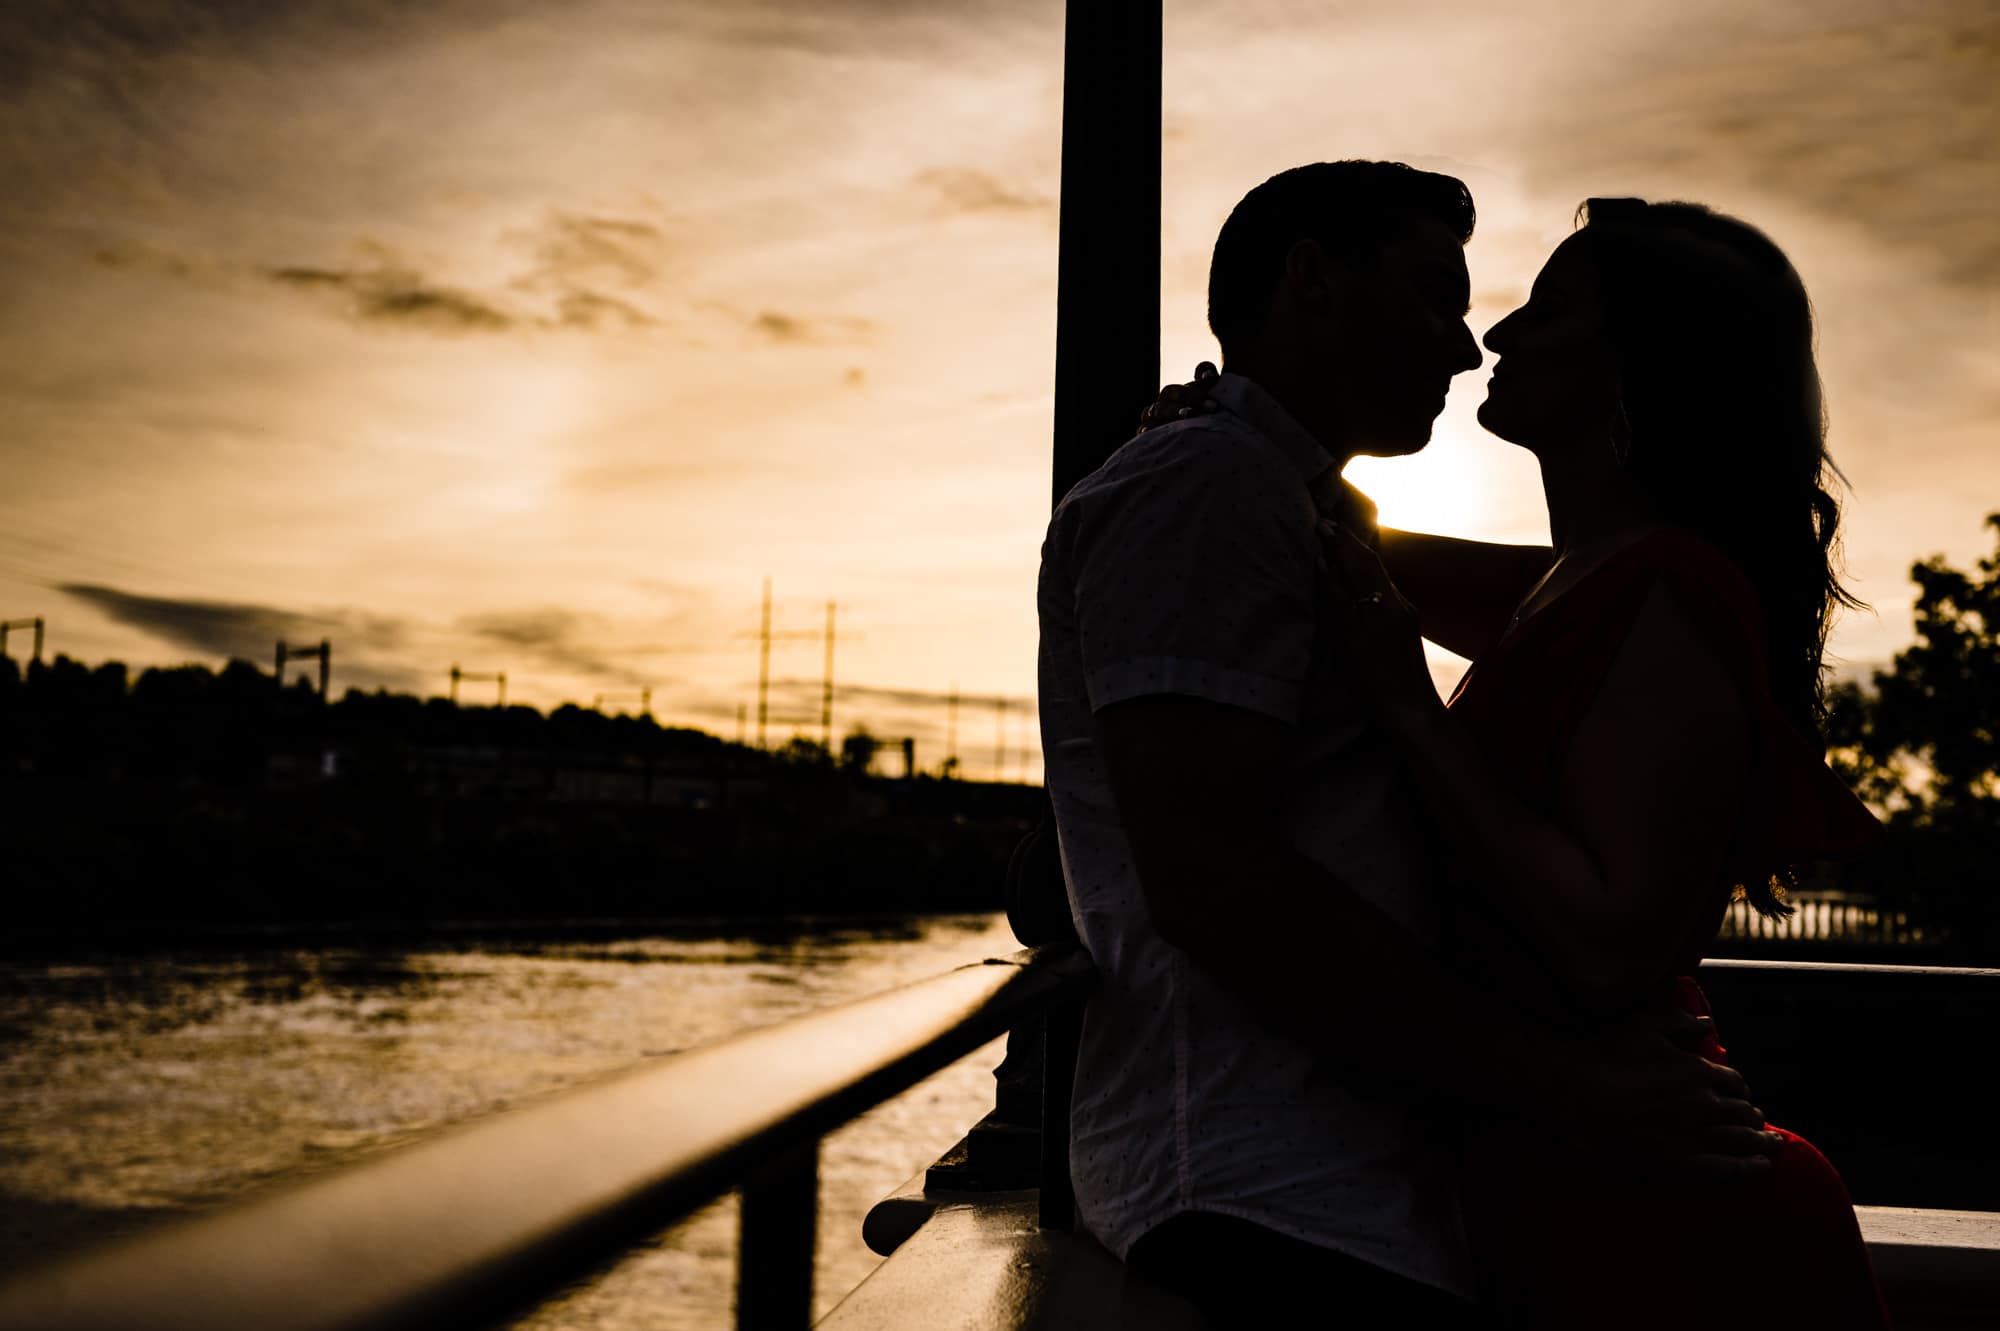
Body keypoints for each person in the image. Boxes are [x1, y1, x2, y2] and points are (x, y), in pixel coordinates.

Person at [1036, 162, 1781, 1328]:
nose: (1471, 343)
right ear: (1310, 280)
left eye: (1520, 309)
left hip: (1387, 1187)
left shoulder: (1627, 593)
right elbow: (1213, 881)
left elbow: (1609, 598)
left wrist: (1313, 508)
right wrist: (1558, 1085)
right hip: (1275, 1200)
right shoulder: (1208, 486)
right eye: (1438, 295)